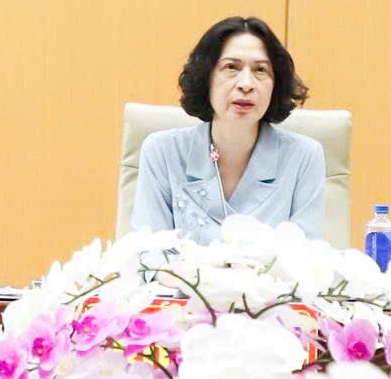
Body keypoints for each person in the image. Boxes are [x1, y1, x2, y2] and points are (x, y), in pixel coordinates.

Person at [132, 16, 324, 242]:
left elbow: (306, 255)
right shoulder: (163, 152)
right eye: (231, 67)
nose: (246, 84)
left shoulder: (304, 157)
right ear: (207, 78)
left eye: (260, 70)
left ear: (275, 84)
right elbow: (150, 252)